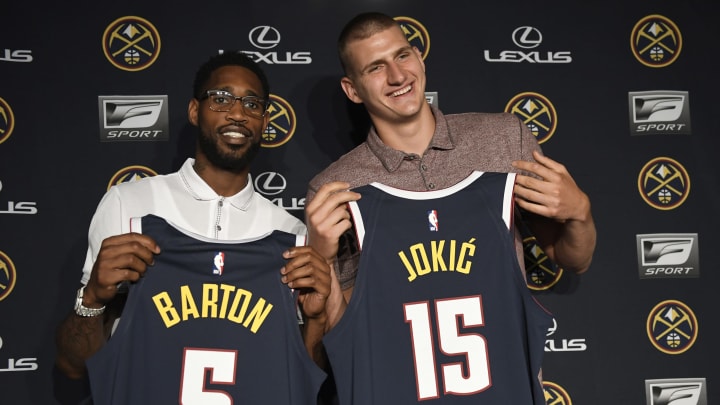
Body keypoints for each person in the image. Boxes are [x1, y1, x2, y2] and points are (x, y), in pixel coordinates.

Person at [304, 12, 596, 404]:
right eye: (375, 68)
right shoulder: (337, 189)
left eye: (402, 55)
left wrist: (580, 212)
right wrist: (320, 259)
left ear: (419, 58)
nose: (396, 75)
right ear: (352, 89)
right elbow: (338, 337)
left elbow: (571, 257)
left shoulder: (504, 139)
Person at [54, 51, 336, 404]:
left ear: (265, 122)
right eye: (221, 99)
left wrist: (316, 320)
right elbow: (74, 366)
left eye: (251, 103)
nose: (236, 112)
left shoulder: (289, 234)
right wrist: (93, 296)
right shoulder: (129, 205)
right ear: (194, 111)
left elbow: (300, 379)